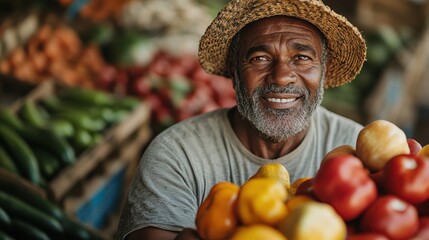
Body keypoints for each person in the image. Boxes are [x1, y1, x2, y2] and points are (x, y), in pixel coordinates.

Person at [117, 0, 367, 239]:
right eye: (260, 59)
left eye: (301, 58)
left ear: (324, 73)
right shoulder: (177, 155)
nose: (281, 77)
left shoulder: (357, 150)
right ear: (235, 75)